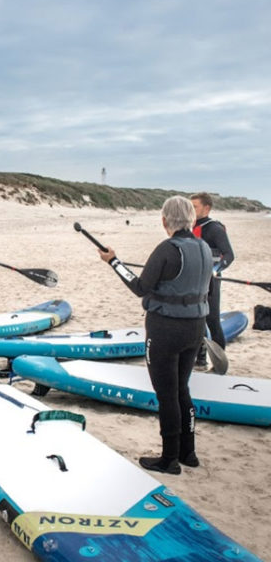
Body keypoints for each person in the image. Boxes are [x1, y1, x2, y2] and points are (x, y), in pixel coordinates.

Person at [98, 196, 213, 474]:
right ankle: (189, 453)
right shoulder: (204, 247)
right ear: (192, 220)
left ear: (164, 221)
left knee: (167, 394)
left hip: (166, 330)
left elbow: (140, 287)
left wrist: (114, 262)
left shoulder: (167, 249)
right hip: (196, 326)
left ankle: (169, 459)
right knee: (182, 389)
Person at [190, 192, 235, 367]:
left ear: (206, 208)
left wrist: (216, 270)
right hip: (192, 280)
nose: (191, 210)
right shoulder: (188, 227)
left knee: (212, 320)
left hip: (211, 281)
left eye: (195, 206)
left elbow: (229, 255)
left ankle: (219, 361)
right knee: (195, 319)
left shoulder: (214, 228)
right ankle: (200, 359)